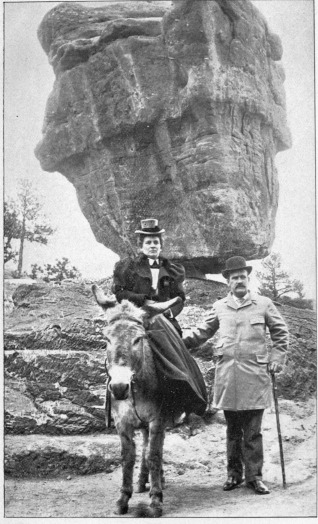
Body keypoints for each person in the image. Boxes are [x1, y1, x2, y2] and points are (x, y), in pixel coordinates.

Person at [183, 256, 289, 495]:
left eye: (242, 277)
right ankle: (233, 475)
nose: (239, 281)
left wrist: (276, 358)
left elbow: (281, 334)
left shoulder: (263, 304)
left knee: (253, 431)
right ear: (228, 282)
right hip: (228, 376)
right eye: (234, 278)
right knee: (233, 430)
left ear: (247, 279)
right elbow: (203, 332)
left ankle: (255, 478)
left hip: (255, 375)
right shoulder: (220, 307)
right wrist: (179, 343)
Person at [112, 218, 207, 417]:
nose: (153, 245)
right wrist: (144, 301)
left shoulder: (172, 269)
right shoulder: (127, 267)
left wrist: (169, 312)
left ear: (161, 244)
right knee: (118, 350)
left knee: (177, 353)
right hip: (136, 319)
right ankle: (117, 407)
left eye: (156, 242)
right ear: (141, 245)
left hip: (165, 319)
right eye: (148, 242)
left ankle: (185, 399)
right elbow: (120, 293)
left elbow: (179, 297)